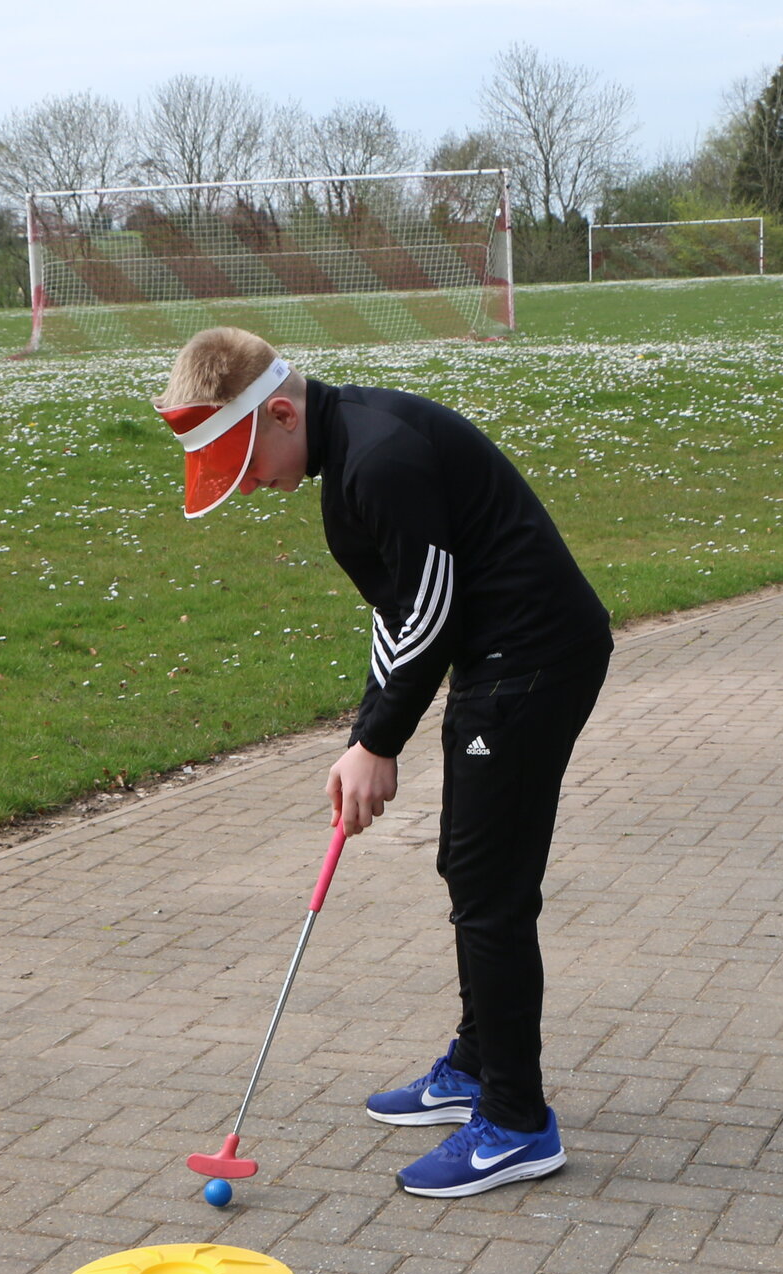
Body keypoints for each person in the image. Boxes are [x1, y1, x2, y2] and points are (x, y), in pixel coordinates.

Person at [154, 327, 612, 1198]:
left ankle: (517, 1122)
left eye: (246, 461)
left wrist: (380, 743)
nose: (250, 485)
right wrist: (366, 732)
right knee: (468, 864)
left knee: (490, 886)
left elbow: (431, 614)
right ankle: (480, 1063)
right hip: (499, 661)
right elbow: (399, 614)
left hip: (535, 659)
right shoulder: (347, 463)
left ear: (282, 411)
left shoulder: (379, 462)